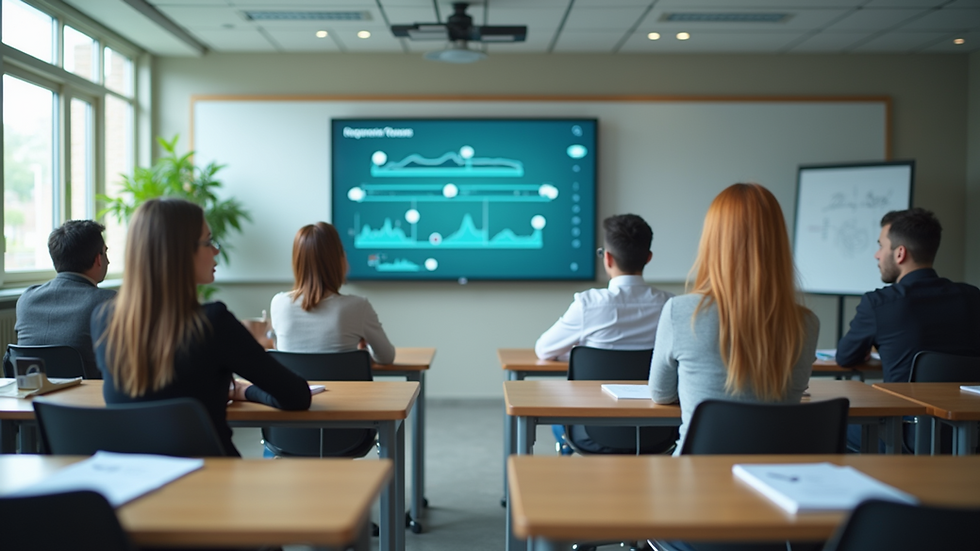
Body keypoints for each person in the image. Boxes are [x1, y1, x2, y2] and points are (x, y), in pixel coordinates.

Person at [92, 198, 311, 456]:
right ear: (180, 253)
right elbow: (297, 396)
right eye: (208, 242)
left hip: (135, 477)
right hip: (211, 477)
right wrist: (244, 391)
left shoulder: (103, 320)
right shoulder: (213, 322)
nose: (216, 251)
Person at [648, 183, 819, 454]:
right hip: (776, 473)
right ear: (777, 242)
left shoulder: (680, 312)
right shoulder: (807, 323)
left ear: (712, 241)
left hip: (697, 472)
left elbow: (661, 394)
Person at [836, 207, 980, 453]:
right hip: (969, 435)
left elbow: (845, 357)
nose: (877, 255)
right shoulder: (973, 297)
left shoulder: (879, 304)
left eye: (881, 246)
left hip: (903, 436)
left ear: (900, 253)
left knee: (836, 423)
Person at [535, 213, 673, 361]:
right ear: (648, 258)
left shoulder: (588, 304)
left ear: (608, 258)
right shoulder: (671, 305)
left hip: (592, 377)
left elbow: (544, 349)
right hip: (648, 378)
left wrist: (580, 353)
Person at [270, 222, 395, 364]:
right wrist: (364, 350)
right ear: (339, 260)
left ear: (297, 262)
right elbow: (386, 357)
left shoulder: (279, 304)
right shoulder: (358, 307)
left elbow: (281, 350)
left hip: (293, 380)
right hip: (345, 380)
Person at [12, 220, 115, 378]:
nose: (108, 260)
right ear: (98, 259)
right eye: (105, 252)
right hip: (89, 393)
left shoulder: (26, 300)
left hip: (32, 393)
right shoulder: (108, 302)